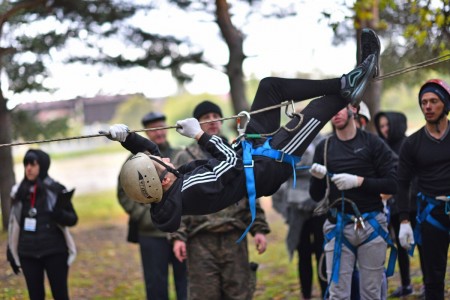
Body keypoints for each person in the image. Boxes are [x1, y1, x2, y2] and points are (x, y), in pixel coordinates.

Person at [106, 34, 378, 230]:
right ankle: (353, 83)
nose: (163, 158)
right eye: (160, 164)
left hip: (250, 151)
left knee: (270, 88)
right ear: (162, 181)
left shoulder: (167, 185)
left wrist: (127, 138)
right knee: (321, 107)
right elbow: (233, 163)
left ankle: (348, 80)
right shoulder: (191, 191)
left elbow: (151, 154)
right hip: (267, 165)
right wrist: (200, 134)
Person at [170, 100, 270, 300]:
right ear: (196, 124)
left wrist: (258, 228)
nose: (213, 121)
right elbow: (174, 199)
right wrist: (178, 237)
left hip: (234, 237)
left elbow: (248, 189)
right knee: (204, 295)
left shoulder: (235, 152)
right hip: (200, 241)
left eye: (216, 116)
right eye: (206, 118)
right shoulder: (185, 157)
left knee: (239, 293)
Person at [308, 103, 398, 299]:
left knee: (371, 294)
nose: (335, 113)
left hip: (371, 225)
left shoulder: (373, 144)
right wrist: (316, 178)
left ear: (354, 110)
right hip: (337, 226)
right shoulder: (324, 148)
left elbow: (392, 184)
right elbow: (315, 196)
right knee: (338, 294)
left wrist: (359, 181)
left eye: (339, 107)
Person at [117, 111, 187, 300]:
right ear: (147, 133)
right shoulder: (135, 162)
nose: (159, 133)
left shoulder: (180, 156)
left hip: (181, 232)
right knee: (155, 285)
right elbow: (124, 194)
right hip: (151, 233)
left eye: (161, 128)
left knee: (186, 284)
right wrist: (145, 216)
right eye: (153, 129)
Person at [397, 79, 450, 300]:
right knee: (433, 280)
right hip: (431, 215)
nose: (427, 106)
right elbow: (402, 182)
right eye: (424, 102)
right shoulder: (412, 143)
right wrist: (404, 221)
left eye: (433, 101)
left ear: (445, 105)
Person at [7, 149, 77, 300]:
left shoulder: (57, 190)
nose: (28, 169)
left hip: (55, 252)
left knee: (60, 295)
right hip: (28, 254)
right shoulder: (18, 192)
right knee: (36, 296)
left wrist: (59, 214)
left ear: (43, 166)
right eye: (26, 164)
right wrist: (10, 252)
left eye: (33, 164)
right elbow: (13, 224)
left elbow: (73, 219)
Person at [374, 111, 425, 298]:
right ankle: (406, 284)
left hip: (414, 205)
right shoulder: (382, 147)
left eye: (387, 125)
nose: (384, 130)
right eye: (381, 126)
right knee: (400, 246)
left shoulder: (410, 144)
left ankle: (428, 284)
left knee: (421, 244)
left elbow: (416, 177)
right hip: (394, 206)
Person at [271, 133, 327, 300]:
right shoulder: (288, 145)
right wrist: (286, 206)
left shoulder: (322, 143)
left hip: (319, 208)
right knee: (303, 255)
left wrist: (317, 198)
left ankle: (326, 293)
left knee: (322, 252)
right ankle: (306, 294)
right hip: (296, 209)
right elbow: (281, 176)